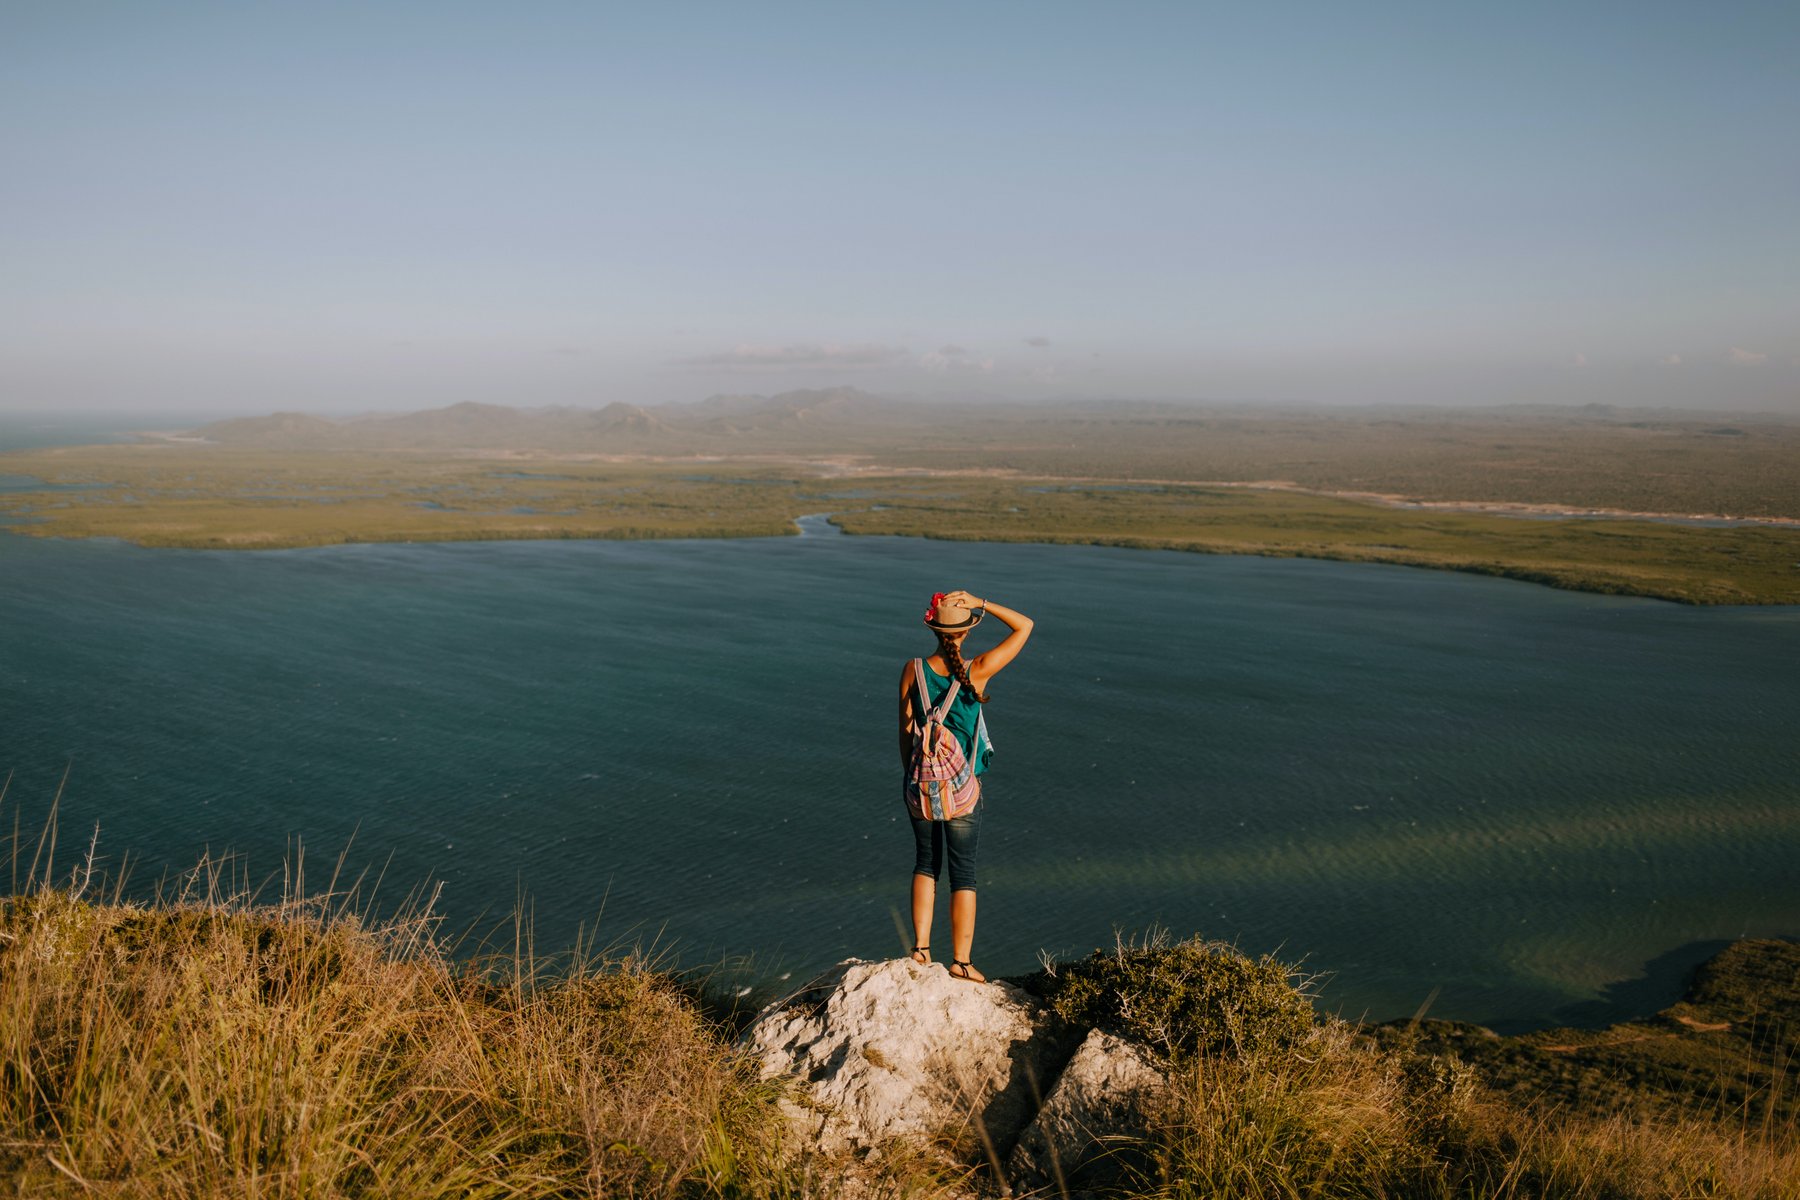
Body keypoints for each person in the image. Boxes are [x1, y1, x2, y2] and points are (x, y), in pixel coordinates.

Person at [900, 588, 1033, 983]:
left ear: (934, 629)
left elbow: (906, 732)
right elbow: (1026, 625)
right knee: (964, 874)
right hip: (961, 790)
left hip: (919, 784)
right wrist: (984, 603)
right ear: (967, 630)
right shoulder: (978, 669)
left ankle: (921, 951)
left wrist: (913, 779)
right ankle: (961, 961)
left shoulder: (912, 669)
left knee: (926, 864)